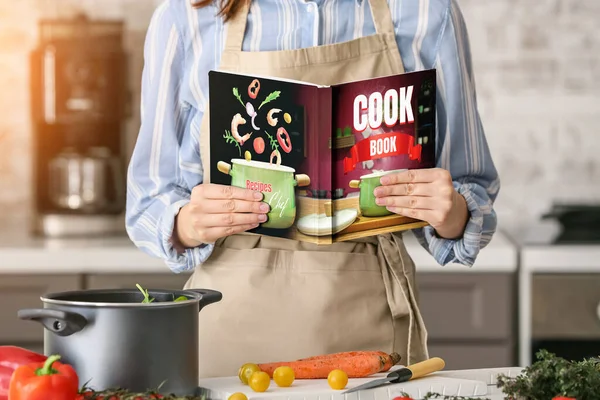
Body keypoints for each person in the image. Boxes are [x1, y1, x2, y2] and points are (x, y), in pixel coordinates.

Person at [126, 0, 500, 378]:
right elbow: (149, 200)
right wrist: (189, 224)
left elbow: (471, 190)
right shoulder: (185, 19)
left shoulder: (426, 14)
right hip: (231, 336)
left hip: (370, 333)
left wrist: (451, 212)